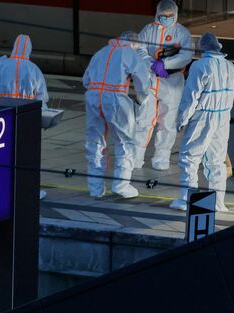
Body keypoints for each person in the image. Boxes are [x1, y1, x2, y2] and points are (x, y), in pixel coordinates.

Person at [169, 33, 234, 212]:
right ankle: (218, 202)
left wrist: (182, 119)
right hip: (223, 117)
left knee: (190, 158)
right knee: (217, 161)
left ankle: (187, 199)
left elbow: (191, 96)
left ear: (203, 48)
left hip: (203, 117)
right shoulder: (231, 67)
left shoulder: (200, 66)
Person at [83, 32, 151, 199]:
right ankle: (121, 185)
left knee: (95, 141)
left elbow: (86, 80)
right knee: (125, 141)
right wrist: (142, 100)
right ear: (134, 44)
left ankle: (95, 188)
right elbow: (143, 81)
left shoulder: (101, 52)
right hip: (115, 99)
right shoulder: (129, 54)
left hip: (93, 97)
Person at [135, 0, 194, 171]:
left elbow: (186, 56)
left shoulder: (182, 33)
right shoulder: (148, 30)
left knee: (168, 122)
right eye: (163, 16)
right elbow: (139, 48)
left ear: (175, 15)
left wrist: (166, 64)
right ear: (157, 14)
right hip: (151, 80)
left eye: (170, 16)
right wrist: (150, 63)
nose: (167, 18)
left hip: (172, 82)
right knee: (145, 119)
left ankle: (161, 158)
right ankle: (137, 158)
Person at [0, 34, 49, 108]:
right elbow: (41, 96)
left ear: (14, 47)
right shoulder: (34, 69)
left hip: (1, 108)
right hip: (25, 109)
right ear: (29, 49)